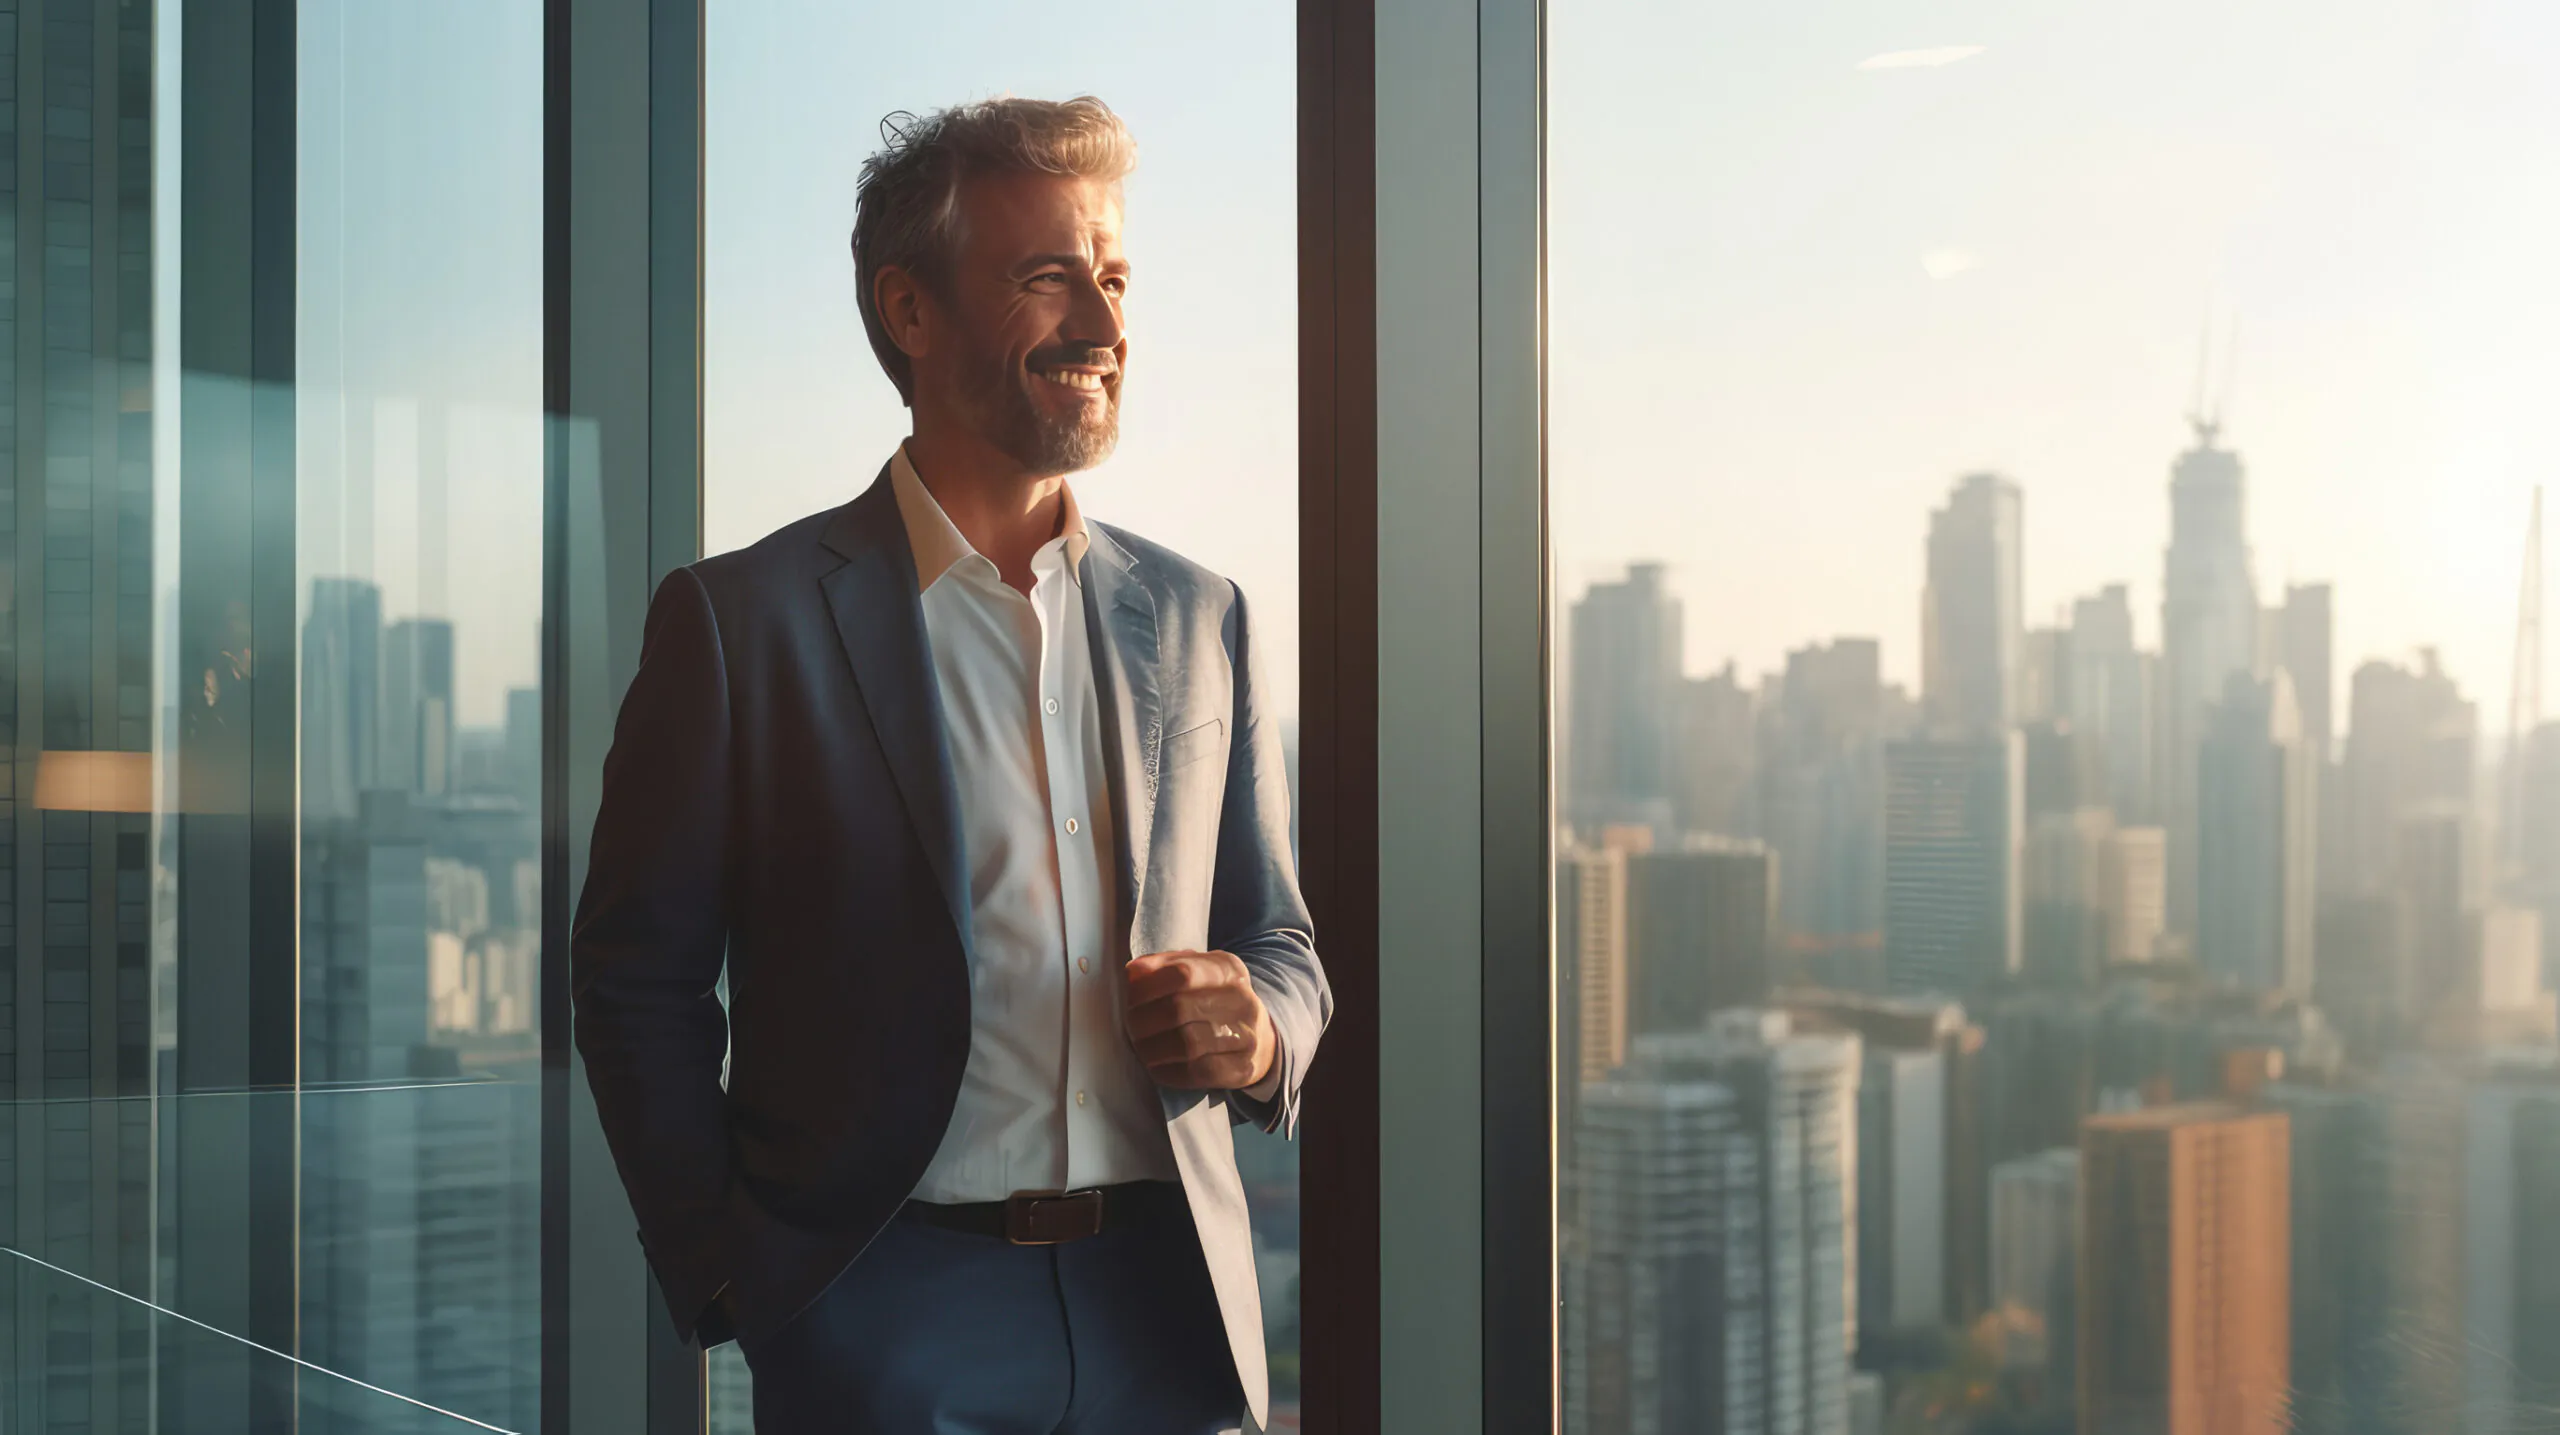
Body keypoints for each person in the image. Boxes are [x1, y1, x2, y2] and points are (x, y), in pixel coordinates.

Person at [570, 95, 1328, 1434]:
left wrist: (1263, 1028)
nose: (1102, 327)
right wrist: (732, 1277)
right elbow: (638, 979)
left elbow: (1280, 939)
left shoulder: (1204, 613)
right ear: (909, 313)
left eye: (1112, 278)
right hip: (883, 1314)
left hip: (1170, 1308)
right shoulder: (742, 625)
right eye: (1047, 280)